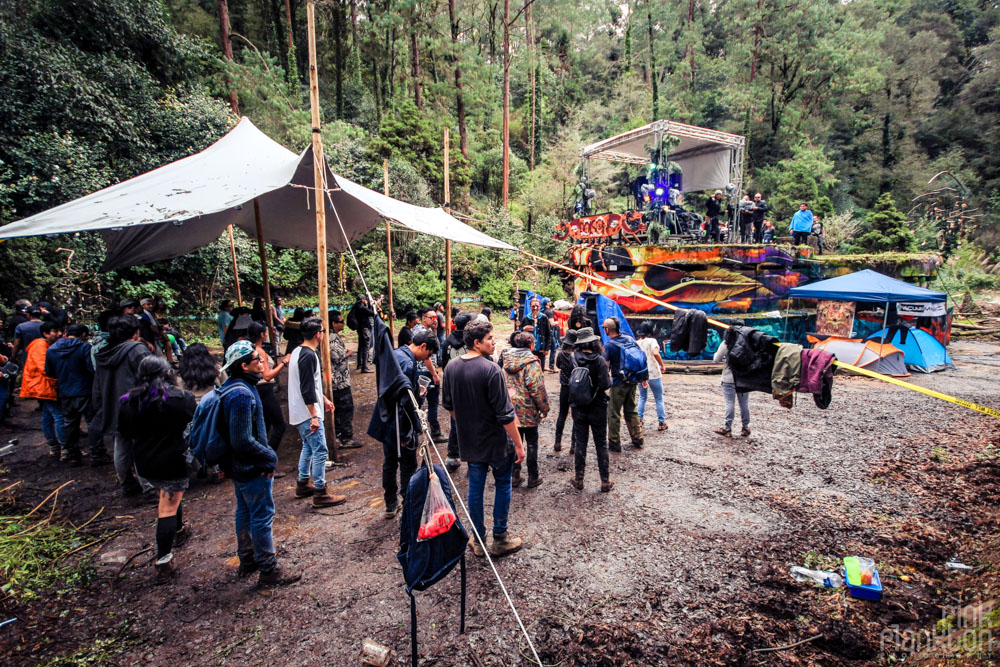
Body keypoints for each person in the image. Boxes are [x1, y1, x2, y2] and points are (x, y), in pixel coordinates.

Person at [216, 341, 301, 586]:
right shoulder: (241, 394)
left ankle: (248, 559)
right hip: (251, 467)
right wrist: (268, 458)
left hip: (240, 466)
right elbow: (242, 439)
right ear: (244, 365)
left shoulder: (234, 387)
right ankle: (268, 569)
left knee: (244, 511)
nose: (262, 361)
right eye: (257, 359)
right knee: (262, 515)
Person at [441, 320, 525, 558]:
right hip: (497, 441)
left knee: (475, 489)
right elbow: (506, 415)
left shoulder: (451, 368)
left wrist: (468, 422)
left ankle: (477, 540)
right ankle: (500, 538)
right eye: (489, 338)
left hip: (470, 441)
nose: (493, 341)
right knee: (503, 485)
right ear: (477, 343)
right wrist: (518, 444)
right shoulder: (491, 370)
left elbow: (450, 407)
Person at [117, 357, 196, 581]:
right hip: (173, 459)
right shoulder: (180, 398)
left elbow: (124, 432)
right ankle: (163, 560)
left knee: (168, 497)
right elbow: (195, 423)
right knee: (167, 507)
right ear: (167, 372)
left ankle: (179, 529)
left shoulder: (128, 401)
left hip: (144, 462)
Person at [369, 329, 439, 519]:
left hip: (386, 418)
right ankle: (408, 502)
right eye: (429, 354)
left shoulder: (396, 353)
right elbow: (403, 403)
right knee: (407, 464)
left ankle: (390, 503)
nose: (427, 358)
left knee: (389, 462)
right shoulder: (407, 364)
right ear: (423, 346)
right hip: (399, 423)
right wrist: (405, 434)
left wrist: (416, 391)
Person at [93, 315, 153, 497]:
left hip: (115, 407)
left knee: (121, 445)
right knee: (142, 446)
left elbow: (97, 386)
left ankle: (126, 482)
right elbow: (152, 378)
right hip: (137, 406)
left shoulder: (104, 352)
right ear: (135, 331)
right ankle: (149, 486)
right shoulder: (137, 350)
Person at [288, 319, 345, 508]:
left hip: (300, 410)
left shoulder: (298, 351)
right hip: (307, 412)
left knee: (308, 446)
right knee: (320, 451)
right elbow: (306, 387)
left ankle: (303, 482)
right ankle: (320, 491)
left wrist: (324, 399)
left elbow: (309, 383)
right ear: (317, 334)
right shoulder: (309, 356)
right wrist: (314, 414)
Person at [45, 323, 107, 465]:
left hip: (65, 391)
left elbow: (50, 372)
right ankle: (97, 454)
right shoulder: (84, 347)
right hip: (85, 390)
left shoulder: (52, 349)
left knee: (69, 423)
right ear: (83, 335)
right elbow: (91, 369)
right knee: (92, 422)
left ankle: (72, 454)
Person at [502, 332, 549, 489]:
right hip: (528, 411)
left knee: (515, 442)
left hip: (510, 410)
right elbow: (537, 388)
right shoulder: (532, 363)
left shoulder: (506, 362)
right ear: (531, 346)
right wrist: (544, 407)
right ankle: (533, 476)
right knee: (531, 443)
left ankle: (514, 476)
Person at [569, 327, 613, 492]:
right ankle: (605, 481)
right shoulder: (599, 360)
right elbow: (605, 384)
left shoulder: (572, 358)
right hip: (598, 406)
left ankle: (579, 479)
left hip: (578, 406)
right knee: (601, 443)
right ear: (594, 342)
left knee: (581, 442)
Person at [22, 321, 66, 460]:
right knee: (59, 416)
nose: (58, 334)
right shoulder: (40, 346)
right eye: (55, 331)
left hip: (41, 385)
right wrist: (58, 381)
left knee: (48, 415)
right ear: (45, 333)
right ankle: (65, 448)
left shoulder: (44, 345)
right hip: (43, 385)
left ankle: (54, 446)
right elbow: (45, 368)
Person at [602, 317, 644, 452]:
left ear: (608, 329)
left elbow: (605, 365)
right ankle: (637, 437)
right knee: (631, 409)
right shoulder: (630, 339)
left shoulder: (609, 345)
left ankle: (614, 442)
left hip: (618, 383)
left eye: (604, 328)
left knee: (613, 412)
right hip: (632, 381)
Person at [248, 322, 289, 453]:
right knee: (279, 426)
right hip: (265, 390)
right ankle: (268, 457)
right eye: (266, 332)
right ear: (261, 334)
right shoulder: (259, 351)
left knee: (264, 425)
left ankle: (262, 457)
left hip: (258, 390)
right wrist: (284, 362)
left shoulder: (250, 347)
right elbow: (267, 376)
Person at [442, 313, 471, 472]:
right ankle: (474, 460)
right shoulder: (471, 342)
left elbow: (443, 364)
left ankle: (452, 456)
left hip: (452, 386)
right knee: (474, 423)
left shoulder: (446, 341)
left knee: (455, 423)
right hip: (470, 386)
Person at [413, 307, 446, 443]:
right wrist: (434, 374)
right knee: (430, 402)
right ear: (424, 318)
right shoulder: (422, 332)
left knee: (420, 401)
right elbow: (427, 357)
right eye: (432, 318)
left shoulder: (423, 330)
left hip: (424, 370)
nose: (434, 320)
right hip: (426, 371)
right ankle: (435, 432)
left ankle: (417, 427)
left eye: (436, 317)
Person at [327, 310, 359, 449]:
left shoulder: (333, 336)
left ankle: (341, 435)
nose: (343, 323)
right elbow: (336, 357)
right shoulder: (332, 338)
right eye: (340, 321)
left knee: (341, 409)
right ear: (333, 323)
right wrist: (348, 353)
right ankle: (346, 437)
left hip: (338, 379)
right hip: (338, 381)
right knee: (345, 408)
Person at [713, 321, 750, 437]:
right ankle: (745, 428)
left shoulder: (726, 343)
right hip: (744, 378)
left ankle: (727, 429)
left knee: (730, 403)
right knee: (744, 403)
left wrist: (719, 355)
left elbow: (716, 359)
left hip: (729, 379)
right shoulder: (748, 342)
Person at [636, 324, 667, 431]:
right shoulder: (652, 341)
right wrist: (662, 365)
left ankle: (639, 420)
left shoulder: (637, 343)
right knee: (659, 398)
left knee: (642, 397)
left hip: (641, 373)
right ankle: (661, 422)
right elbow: (655, 353)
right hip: (654, 374)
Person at [553, 329, 577, 455]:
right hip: (575, 388)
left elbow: (558, 366)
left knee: (562, 414)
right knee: (575, 416)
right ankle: (573, 445)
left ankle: (557, 442)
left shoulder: (561, 354)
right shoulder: (577, 355)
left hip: (564, 388)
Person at [525, 298, 552, 367]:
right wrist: (524, 329)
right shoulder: (526, 318)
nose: (535, 308)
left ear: (540, 307)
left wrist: (547, 348)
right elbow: (519, 334)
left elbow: (548, 333)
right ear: (530, 307)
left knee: (540, 368)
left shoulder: (544, 318)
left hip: (540, 349)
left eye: (537, 306)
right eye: (533, 306)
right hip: (528, 350)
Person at [353, 297, 375, 373]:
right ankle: (364, 367)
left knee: (361, 346)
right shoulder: (362, 308)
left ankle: (359, 364)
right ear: (362, 300)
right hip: (365, 328)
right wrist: (371, 305)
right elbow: (372, 313)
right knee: (366, 347)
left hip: (359, 329)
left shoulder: (356, 307)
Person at [544, 302, 559, 372]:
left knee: (543, 348)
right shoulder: (549, 312)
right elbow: (552, 323)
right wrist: (557, 322)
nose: (550, 302)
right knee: (553, 349)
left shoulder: (542, 311)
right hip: (549, 332)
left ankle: (542, 365)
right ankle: (551, 366)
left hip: (543, 332)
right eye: (549, 301)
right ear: (547, 303)